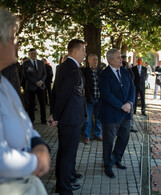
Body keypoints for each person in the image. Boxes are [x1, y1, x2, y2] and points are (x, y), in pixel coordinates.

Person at [0, 7, 50, 193]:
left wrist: (39, 145)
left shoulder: (4, 83)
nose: (17, 46)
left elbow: (25, 123)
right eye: (14, 38)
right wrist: (36, 161)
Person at [47, 39, 87, 194]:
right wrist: (55, 116)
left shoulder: (66, 66)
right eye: (83, 50)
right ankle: (65, 188)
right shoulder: (71, 68)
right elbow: (63, 94)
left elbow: (56, 92)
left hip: (69, 117)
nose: (84, 54)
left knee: (64, 152)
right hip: (70, 118)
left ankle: (62, 184)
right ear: (76, 51)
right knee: (68, 154)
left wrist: (54, 114)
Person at [99, 48, 135, 178]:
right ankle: (108, 165)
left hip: (125, 113)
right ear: (110, 60)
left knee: (124, 137)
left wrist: (130, 103)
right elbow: (106, 95)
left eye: (121, 57)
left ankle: (117, 159)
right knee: (108, 141)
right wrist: (121, 106)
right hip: (111, 114)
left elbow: (132, 88)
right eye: (119, 57)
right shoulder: (104, 75)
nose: (122, 59)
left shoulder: (125, 72)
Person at [81, 54, 102, 144]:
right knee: (88, 118)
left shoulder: (100, 71)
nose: (95, 61)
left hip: (99, 98)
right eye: (93, 59)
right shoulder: (84, 71)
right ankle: (87, 136)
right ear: (88, 61)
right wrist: (87, 96)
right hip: (89, 98)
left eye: (96, 59)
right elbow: (84, 85)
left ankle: (98, 134)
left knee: (99, 117)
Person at [23, 48, 47, 124]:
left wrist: (41, 81)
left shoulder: (41, 63)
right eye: (32, 53)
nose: (34, 55)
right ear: (29, 54)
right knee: (31, 105)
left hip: (41, 86)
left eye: (35, 53)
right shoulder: (26, 64)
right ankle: (31, 120)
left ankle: (43, 120)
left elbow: (44, 74)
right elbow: (27, 75)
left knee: (43, 104)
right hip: (31, 87)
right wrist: (36, 82)